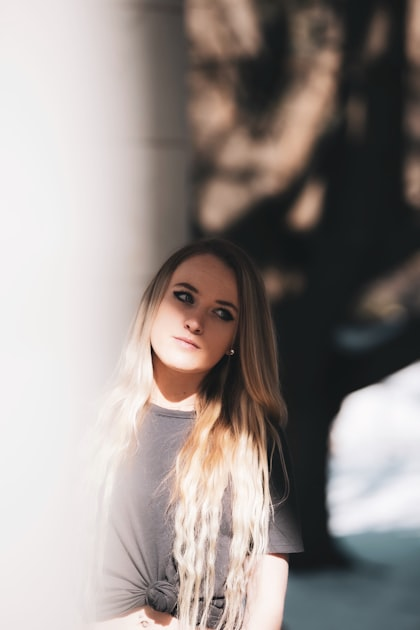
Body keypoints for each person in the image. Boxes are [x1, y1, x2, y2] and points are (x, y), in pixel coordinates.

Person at [85, 237, 303, 630]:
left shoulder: (254, 441)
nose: (195, 322)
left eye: (222, 313)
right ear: (154, 302)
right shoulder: (90, 420)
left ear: (237, 338)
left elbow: (267, 608)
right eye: (184, 297)